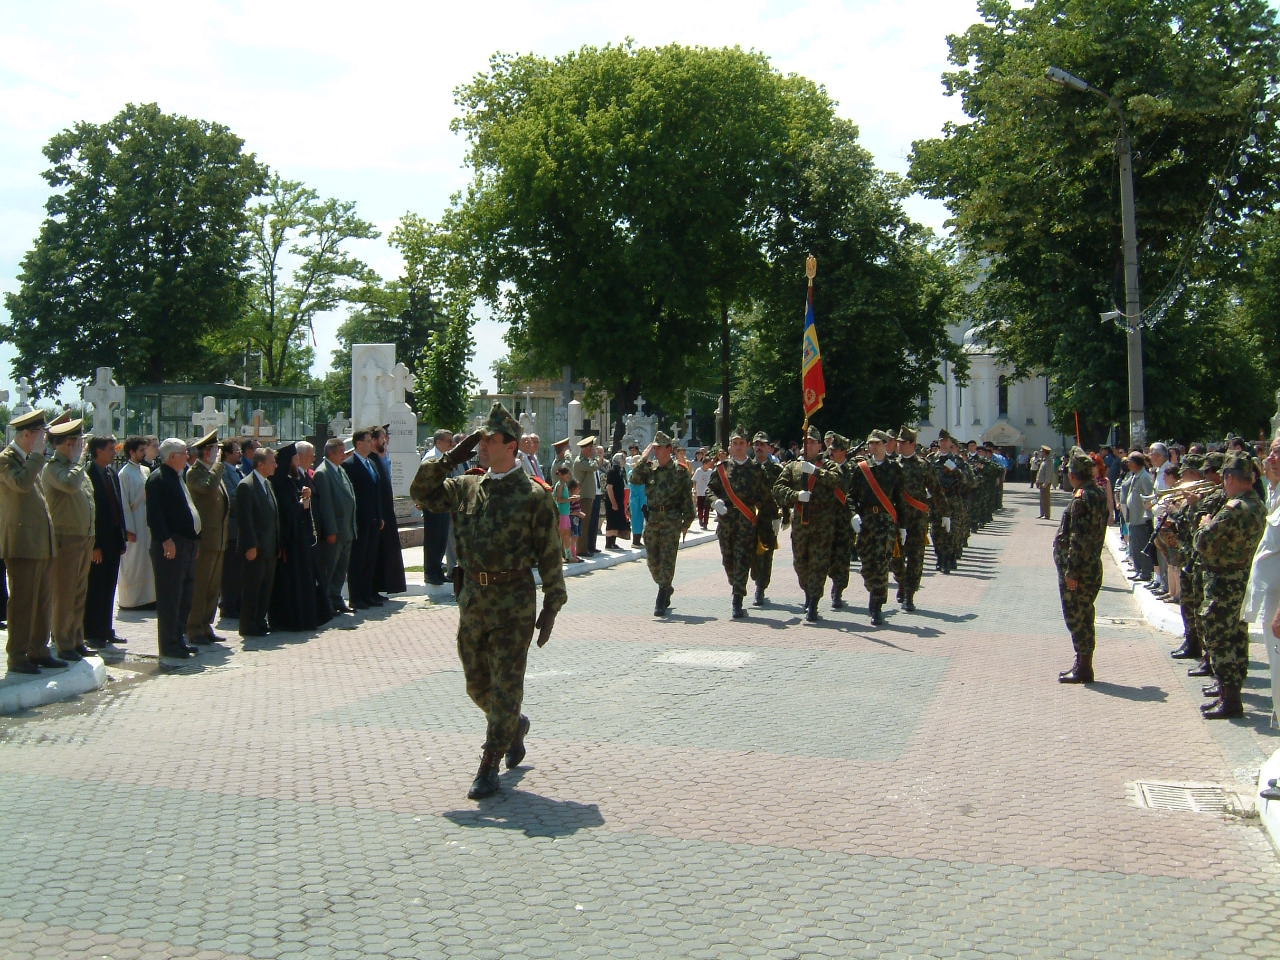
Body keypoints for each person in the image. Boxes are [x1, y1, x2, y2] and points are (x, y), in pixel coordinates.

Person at [409, 402, 566, 800]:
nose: (481, 445)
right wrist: (449, 459)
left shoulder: (532, 495)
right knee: (476, 685)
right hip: (473, 599)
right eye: (478, 439)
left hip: (513, 601)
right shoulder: (468, 487)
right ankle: (513, 727)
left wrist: (552, 603)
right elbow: (421, 493)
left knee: (506, 684)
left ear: (511, 446)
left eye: (489, 439)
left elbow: (550, 552)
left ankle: (489, 761)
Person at [1194, 452, 1266, 719]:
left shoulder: (1233, 508)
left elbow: (1202, 541)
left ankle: (1230, 700)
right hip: (1243, 579)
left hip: (1224, 582)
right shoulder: (1258, 505)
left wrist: (1204, 524)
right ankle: (1231, 694)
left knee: (1220, 639)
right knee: (1237, 637)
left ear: (1230, 477)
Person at [1, 409, 61, 674]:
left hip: (40, 543)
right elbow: (21, 485)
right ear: (27, 434)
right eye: (40, 435)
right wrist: (36, 455)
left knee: (42, 601)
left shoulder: (27, 458)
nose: (44, 440)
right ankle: (17, 655)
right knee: (23, 602)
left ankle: (39, 649)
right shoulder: (7, 459)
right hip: (22, 544)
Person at [773, 425, 845, 622]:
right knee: (800, 564)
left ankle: (813, 602)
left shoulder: (829, 466)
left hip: (823, 525)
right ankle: (808, 592)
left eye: (813, 442)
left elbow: (838, 480)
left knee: (818, 564)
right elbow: (778, 488)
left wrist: (815, 471)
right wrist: (795, 495)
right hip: (800, 525)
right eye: (806, 442)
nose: (809, 445)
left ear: (820, 445)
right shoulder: (793, 466)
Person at [707, 428, 777, 618]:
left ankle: (737, 600)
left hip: (747, 523)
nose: (738, 447)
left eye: (741, 443)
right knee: (728, 560)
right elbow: (710, 490)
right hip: (726, 522)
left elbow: (765, 497)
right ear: (730, 446)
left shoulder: (756, 470)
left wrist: (775, 517)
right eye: (734, 443)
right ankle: (736, 586)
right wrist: (715, 501)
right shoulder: (722, 469)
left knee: (742, 560)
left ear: (747, 446)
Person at [42, 416, 96, 662]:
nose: (80, 446)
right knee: (64, 593)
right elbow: (71, 485)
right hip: (66, 538)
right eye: (76, 442)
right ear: (65, 444)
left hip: (84, 536)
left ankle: (76, 638)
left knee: (79, 591)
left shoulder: (76, 468)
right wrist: (79, 459)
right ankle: (63, 642)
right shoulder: (54, 468)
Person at [1054, 447, 1109, 684]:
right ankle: (1082, 663)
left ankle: (1084, 667)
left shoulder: (1082, 498)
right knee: (1084, 613)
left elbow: (1078, 537)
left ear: (1074, 475)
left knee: (1078, 616)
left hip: (1080, 569)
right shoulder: (1096, 493)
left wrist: (1071, 572)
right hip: (1091, 565)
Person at [145, 438, 202, 659]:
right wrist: (166, 540)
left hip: (187, 544)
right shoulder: (158, 479)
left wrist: (196, 538)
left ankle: (179, 639)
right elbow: (155, 515)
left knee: (185, 595)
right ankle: (168, 644)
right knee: (170, 596)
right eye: (184, 452)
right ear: (171, 457)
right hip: (171, 545)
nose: (187, 456)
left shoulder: (179, 477)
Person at [630, 431, 696, 616]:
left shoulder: (680, 471)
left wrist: (687, 521)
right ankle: (665, 586)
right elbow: (633, 479)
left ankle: (661, 596)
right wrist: (643, 458)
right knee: (652, 562)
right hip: (652, 520)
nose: (656, 451)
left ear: (669, 449)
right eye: (655, 448)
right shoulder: (650, 469)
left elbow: (686, 498)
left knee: (668, 559)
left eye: (659, 448)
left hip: (672, 519)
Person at [848, 429, 903, 625]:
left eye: (877, 443)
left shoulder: (895, 469)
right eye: (871, 443)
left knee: (881, 564)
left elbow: (899, 498)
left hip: (886, 522)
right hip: (866, 521)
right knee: (866, 565)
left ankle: (876, 605)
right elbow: (851, 496)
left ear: (886, 445)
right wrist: (853, 513)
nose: (873, 446)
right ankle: (873, 590)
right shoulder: (861, 468)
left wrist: (902, 526)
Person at [269, 443, 323, 632]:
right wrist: (303, 502)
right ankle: (289, 620)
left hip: (302, 538)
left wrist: (305, 498)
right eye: (295, 459)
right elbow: (287, 510)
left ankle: (305, 617)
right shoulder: (280, 481)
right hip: (289, 540)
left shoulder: (295, 479)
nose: (298, 462)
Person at [893, 426, 946, 612]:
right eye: (897, 442)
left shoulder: (924, 465)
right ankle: (901, 582)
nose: (898, 446)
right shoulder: (892, 465)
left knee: (915, 558)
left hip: (917, 519)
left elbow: (936, 490)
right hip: (897, 519)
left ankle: (909, 594)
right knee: (895, 558)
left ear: (912, 444)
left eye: (902, 443)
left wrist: (945, 513)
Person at [184, 429, 230, 645]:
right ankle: (193, 628)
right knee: (201, 586)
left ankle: (206, 625)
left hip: (219, 539)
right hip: (205, 541)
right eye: (214, 449)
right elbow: (207, 488)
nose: (217, 453)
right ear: (205, 452)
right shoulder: (195, 473)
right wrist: (219, 466)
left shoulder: (213, 472)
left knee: (213, 587)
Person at [84, 434, 127, 647]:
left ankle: (106, 628)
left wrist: (122, 537)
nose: (114, 452)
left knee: (110, 586)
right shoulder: (89, 474)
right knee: (96, 587)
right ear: (98, 451)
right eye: (110, 449)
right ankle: (93, 631)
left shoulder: (111, 473)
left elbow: (118, 507)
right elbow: (92, 514)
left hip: (113, 539)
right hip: (99, 542)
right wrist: (95, 545)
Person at [237, 446, 280, 638]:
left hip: (270, 546)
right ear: (261, 464)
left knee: (265, 588)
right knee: (252, 588)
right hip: (256, 547)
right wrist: (250, 545)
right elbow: (245, 520)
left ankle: (260, 620)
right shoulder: (247, 485)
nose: (275, 466)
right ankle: (248, 624)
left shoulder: (267, 484)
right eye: (272, 462)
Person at [312, 437, 357, 614]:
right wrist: (331, 530)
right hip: (335, 530)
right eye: (340, 452)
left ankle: (336, 599)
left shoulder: (340, 470)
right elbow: (326, 505)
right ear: (331, 453)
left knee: (341, 569)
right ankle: (325, 603)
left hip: (347, 529)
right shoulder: (323, 473)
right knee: (329, 568)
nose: (343, 455)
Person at [343, 428, 386, 609]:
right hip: (360, 519)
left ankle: (368, 593)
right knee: (358, 559)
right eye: (368, 441)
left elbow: (377, 492)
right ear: (359, 443)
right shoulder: (350, 465)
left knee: (370, 558)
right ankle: (356, 596)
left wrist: (380, 515)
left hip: (374, 519)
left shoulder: (371, 463)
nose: (371, 444)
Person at [117, 436, 156, 609]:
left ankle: (148, 598)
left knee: (147, 561)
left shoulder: (145, 471)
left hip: (146, 520)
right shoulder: (124, 474)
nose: (143, 453)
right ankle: (131, 600)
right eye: (140, 450)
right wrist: (128, 529)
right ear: (131, 452)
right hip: (133, 521)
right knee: (133, 562)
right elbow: (124, 503)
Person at [370, 426, 406, 598]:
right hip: (377, 514)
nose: (386, 440)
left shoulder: (383, 457)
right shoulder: (371, 460)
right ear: (375, 440)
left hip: (386, 511)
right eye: (383, 437)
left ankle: (383, 587)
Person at [749, 433, 783, 606]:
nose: (758, 447)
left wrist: (782, 516)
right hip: (749, 518)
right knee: (750, 554)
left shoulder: (776, 470)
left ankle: (760, 588)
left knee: (766, 553)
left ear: (769, 447)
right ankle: (756, 577)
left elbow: (782, 492)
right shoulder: (747, 467)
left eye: (762, 444)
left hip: (768, 517)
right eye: (756, 444)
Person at [421, 429, 458, 585]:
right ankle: (430, 573)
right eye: (448, 441)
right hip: (433, 505)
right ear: (438, 442)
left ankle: (437, 571)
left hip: (443, 503)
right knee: (433, 539)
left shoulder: (444, 457)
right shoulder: (431, 458)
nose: (451, 444)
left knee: (442, 539)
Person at [1119, 452, 1155, 582]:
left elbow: (1150, 496)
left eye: (1129, 461)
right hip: (1134, 518)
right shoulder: (1135, 476)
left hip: (1142, 519)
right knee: (1134, 546)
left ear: (1135, 463)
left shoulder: (1144, 477)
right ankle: (1138, 570)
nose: (1127, 464)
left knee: (1141, 547)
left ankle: (1145, 572)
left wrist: (1148, 516)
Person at [218, 439, 244, 620]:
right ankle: (228, 605)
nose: (240, 453)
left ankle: (236, 603)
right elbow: (231, 497)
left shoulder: (238, 471)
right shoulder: (223, 472)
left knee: (238, 571)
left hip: (240, 528)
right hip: (232, 528)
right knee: (230, 571)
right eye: (236, 450)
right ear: (227, 453)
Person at [572, 437, 603, 556]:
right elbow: (594, 466)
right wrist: (595, 456)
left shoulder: (586, 460)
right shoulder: (580, 461)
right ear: (585, 449)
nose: (592, 450)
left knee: (587, 524)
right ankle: (581, 549)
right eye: (590, 448)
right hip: (583, 496)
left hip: (588, 496)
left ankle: (586, 548)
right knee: (583, 524)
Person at [603, 453, 629, 550]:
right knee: (611, 521)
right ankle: (609, 543)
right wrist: (613, 503)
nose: (625, 461)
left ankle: (613, 542)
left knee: (616, 521)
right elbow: (609, 488)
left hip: (618, 500)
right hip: (612, 501)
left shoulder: (620, 471)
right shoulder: (612, 471)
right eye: (623, 459)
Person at [692, 455, 716, 530]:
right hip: (700, 492)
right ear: (704, 463)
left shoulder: (710, 471)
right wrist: (695, 489)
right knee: (700, 508)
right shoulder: (699, 470)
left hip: (707, 493)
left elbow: (712, 481)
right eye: (708, 463)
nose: (709, 465)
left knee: (707, 509)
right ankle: (700, 518)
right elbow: (694, 480)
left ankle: (705, 523)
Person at [1035, 444, 1055, 519]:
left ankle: (1047, 514)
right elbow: (1040, 472)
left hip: (1045, 483)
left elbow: (1048, 474)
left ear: (1045, 452)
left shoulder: (1049, 461)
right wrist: (1037, 481)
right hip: (1041, 482)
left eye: (1041, 452)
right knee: (1042, 499)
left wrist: (1045, 483)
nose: (1040, 453)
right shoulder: (1044, 461)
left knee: (1045, 499)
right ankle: (1042, 513)